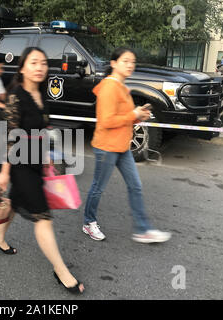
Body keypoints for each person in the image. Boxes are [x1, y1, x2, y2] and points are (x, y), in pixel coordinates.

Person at [0, 47, 84, 294]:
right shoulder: (16, 96)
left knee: (13, 201)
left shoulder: (40, 95)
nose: (39, 67)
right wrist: (4, 171)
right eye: (33, 62)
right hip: (20, 164)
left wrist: (45, 159)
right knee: (42, 217)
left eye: (43, 63)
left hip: (36, 161)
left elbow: (40, 131)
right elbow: (9, 136)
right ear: (22, 67)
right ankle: (61, 271)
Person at [83, 47, 171, 244]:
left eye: (133, 61)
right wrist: (134, 114)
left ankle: (142, 229)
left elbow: (122, 117)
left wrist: (138, 116)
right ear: (114, 63)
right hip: (106, 146)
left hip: (122, 147)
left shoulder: (122, 87)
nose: (131, 65)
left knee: (135, 186)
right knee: (98, 187)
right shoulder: (109, 87)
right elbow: (106, 121)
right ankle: (89, 222)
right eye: (126, 61)